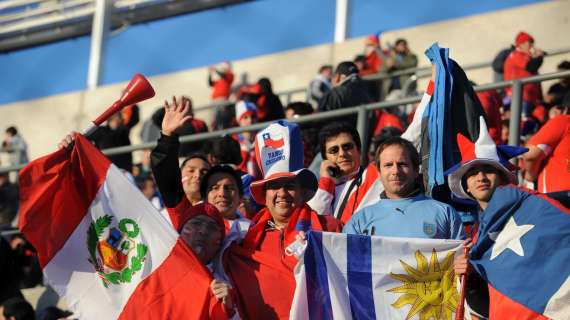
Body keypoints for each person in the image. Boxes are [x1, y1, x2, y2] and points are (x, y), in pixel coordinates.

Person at [224, 120, 341, 319]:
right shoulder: (242, 245)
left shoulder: (330, 227)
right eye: (274, 186)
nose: (282, 193)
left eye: (290, 185)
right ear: (265, 194)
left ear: (302, 192)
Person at [448, 117, 528, 319]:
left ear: (503, 177)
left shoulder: (531, 215)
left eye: (488, 170)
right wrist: (469, 277)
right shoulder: (469, 236)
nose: (481, 177)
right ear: (466, 186)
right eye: (473, 172)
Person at [151, 97, 250, 238]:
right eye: (191, 170)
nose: (197, 175)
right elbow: (165, 171)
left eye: (204, 172)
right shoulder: (181, 214)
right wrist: (168, 137)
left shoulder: (247, 227)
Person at [344, 136, 463, 239]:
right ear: (379, 173)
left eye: (402, 164)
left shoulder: (445, 213)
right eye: (388, 165)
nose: (395, 171)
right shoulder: (359, 220)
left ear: (416, 170)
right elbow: (346, 261)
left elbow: (461, 257)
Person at [307, 122, 384, 224]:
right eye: (334, 150)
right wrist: (326, 183)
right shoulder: (320, 190)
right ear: (326, 159)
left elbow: (406, 143)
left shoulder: (376, 173)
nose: (342, 154)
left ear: (359, 150)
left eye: (347, 147)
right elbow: (312, 224)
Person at [523, 95, 570, 193]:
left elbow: (530, 154)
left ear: (564, 109)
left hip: (559, 197)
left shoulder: (564, 120)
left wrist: (529, 178)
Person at [318, 61, 374, 126]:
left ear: (337, 77)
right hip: (366, 134)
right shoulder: (370, 91)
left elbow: (322, 121)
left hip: (339, 134)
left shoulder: (334, 93)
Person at [503, 31, 545, 114]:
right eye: (530, 43)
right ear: (521, 44)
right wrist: (539, 56)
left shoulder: (526, 56)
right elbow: (531, 67)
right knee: (522, 123)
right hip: (520, 98)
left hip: (530, 98)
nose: (532, 46)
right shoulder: (516, 55)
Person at [89, 104, 139, 172]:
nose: (119, 117)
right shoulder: (100, 131)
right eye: (117, 115)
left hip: (124, 171)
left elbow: (134, 119)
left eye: (119, 115)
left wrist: (131, 103)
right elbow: (84, 139)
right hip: (106, 171)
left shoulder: (123, 131)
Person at [233, 101, 260, 177]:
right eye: (245, 117)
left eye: (253, 117)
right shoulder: (233, 140)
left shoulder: (263, 138)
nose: (250, 120)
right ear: (239, 121)